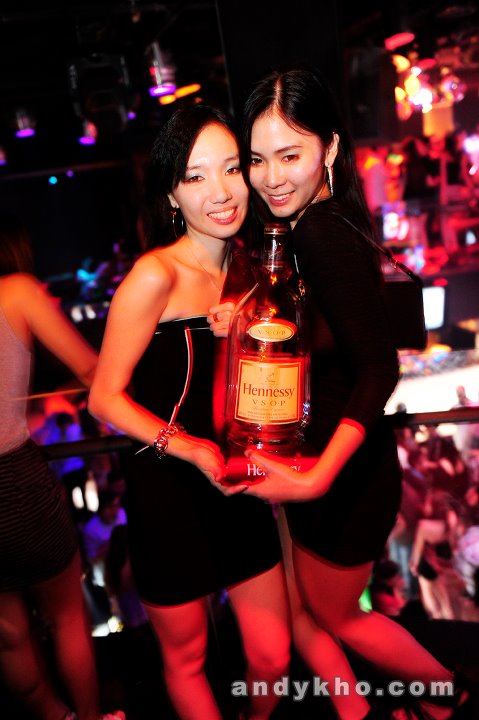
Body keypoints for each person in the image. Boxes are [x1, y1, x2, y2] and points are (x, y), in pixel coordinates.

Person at [217, 65, 471, 720]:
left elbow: (378, 369)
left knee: (343, 617)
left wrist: (316, 479)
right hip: (333, 462)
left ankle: (448, 699)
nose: (270, 178)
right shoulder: (320, 222)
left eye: (290, 155)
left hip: (342, 472)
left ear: (328, 148)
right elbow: (330, 331)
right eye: (257, 160)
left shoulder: (318, 232)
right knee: (314, 610)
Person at [88, 103, 290, 720]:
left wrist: (240, 331)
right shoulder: (154, 274)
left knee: (273, 657)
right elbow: (103, 398)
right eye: (196, 176)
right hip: (168, 486)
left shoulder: (249, 265)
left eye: (231, 168)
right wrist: (192, 450)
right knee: (188, 657)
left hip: (234, 481)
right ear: (172, 194)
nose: (221, 192)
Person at [0, 212, 124, 720]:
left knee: (10, 634)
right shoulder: (16, 292)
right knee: (68, 616)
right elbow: (93, 370)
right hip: (16, 482)